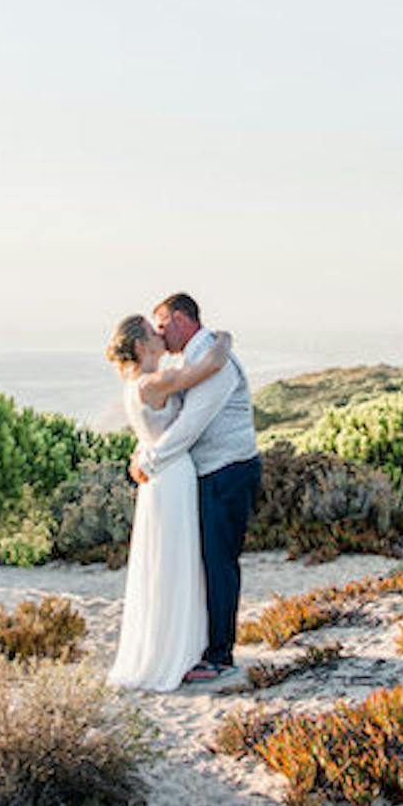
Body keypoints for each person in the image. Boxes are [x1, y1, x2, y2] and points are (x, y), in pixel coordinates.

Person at [130, 293, 261, 686]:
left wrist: (148, 461)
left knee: (219, 563)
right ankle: (203, 646)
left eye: (162, 322)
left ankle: (220, 657)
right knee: (203, 563)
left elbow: (191, 425)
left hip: (228, 472)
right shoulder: (197, 359)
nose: (158, 331)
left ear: (182, 318)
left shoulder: (213, 364)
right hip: (206, 474)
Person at [103, 313, 232, 691]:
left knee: (165, 564)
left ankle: (171, 646)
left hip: (159, 478)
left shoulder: (134, 386)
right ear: (141, 346)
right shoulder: (154, 382)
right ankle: (177, 651)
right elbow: (210, 364)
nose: (160, 334)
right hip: (171, 477)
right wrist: (223, 338)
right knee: (176, 562)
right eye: (151, 331)